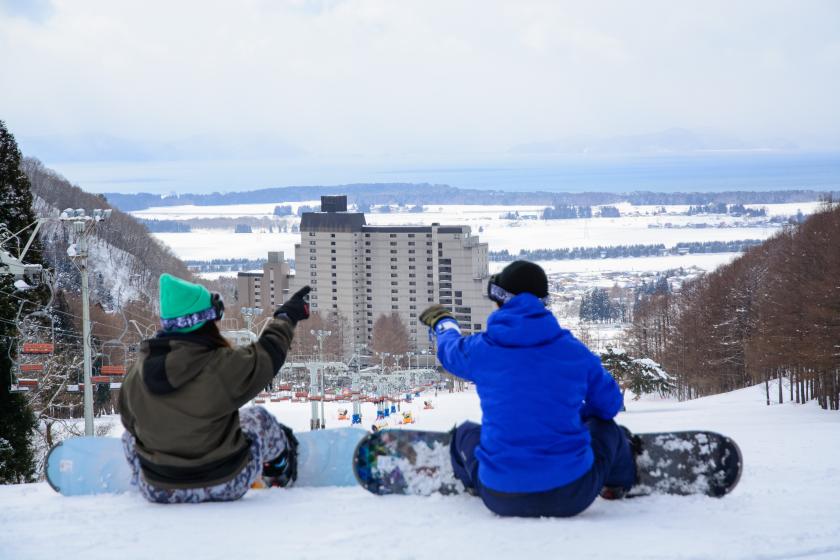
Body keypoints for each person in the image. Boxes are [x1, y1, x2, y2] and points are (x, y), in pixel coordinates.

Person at [419, 260, 636, 517]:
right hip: (572, 494)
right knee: (608, 429)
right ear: (544, 302)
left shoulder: (482, 349)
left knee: (464, 434)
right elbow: (609, 406)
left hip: (499, 496)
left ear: (500, 300)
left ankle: (473, 484)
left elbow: (449, 352)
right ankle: (618, 483)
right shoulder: (574, 351)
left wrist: (444, 324)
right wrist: (576, 414)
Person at [118, 273, 311, 504]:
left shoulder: (136, 374)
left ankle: (141, 476)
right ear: (205, 322)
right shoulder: (221, 365)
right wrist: (286, 316)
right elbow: (268, 355)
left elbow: (130, 422)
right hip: (226, 482)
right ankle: (279, 470)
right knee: (258, 418)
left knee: (129, 436)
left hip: (158, 488)